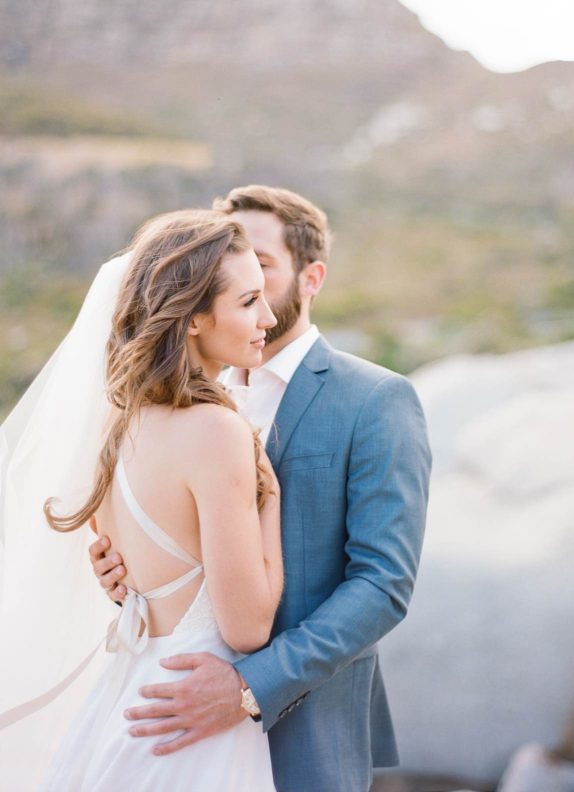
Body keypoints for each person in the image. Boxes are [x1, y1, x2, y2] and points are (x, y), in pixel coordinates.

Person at [91, 186, 433, 792]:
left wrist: (250, 686)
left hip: (308, 733)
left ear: (311, 277)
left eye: (263, 268)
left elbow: (383, 584)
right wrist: (127, 579)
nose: (256, 295)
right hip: (175, 719)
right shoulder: (170, 409)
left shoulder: (375, 400)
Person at [0, 209, 283, 790]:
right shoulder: (216, 431)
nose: (269, 317)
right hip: (190, 716)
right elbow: (247, 627)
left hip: (127, 698)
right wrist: (270, 499)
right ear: (196, 318)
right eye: (249, 301)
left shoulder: (121, 427)